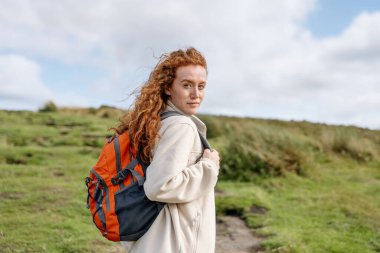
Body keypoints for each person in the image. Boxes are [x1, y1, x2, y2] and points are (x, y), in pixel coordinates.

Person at [114, 47, 220, 253]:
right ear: (169, 87)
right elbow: (159, 186)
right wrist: (208, 166)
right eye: (187, 85)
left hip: (154, 235)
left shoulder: (158, 120)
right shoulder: (181, 126)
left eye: (201, 86)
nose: (196, 94)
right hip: (173, 240)